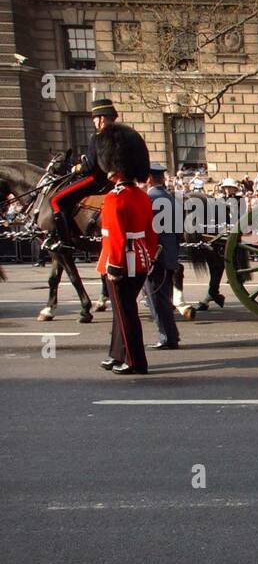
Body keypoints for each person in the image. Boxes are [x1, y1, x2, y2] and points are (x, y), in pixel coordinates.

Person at [45, 97, 120, 322]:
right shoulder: (118, 136)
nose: (95, 122)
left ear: (102, 119)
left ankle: (64, 238)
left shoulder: (98, 137)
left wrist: (78, 167)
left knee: (56, 200)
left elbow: (90, 167)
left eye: (97, 118)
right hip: (106, 180)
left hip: (94, 180)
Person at [95, 123, 158, 376]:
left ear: (113, 170)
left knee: (126, 314)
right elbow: (152, 232)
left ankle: (134, 361)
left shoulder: (115, 198)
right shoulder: (142, 196)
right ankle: (117, 353)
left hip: (121, 261)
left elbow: (117, 237)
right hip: (141, 258)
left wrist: (114, 266)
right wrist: (151, 256)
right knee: (123, 311)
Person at [143, 162, 180, 350]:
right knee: (163, 297)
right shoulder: (171, 198)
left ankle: (166, 337)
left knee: (156, 298)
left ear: (148, 178)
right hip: (170, 254)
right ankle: (172, 334)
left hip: (155, 256)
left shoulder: (148, 199)